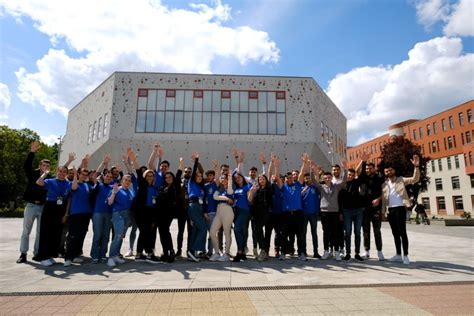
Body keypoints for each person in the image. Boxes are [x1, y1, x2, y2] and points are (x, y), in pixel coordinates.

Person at [382, 154, 420, 265]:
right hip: (391, 210)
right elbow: (384, 200)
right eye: (386, 171)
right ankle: (398, 255)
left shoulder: (401, 180)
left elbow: (415, 179)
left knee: (402, 232)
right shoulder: (384, 184)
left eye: (390, 170)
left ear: (393, 170)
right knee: (395, 233)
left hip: (400, 209)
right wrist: (384, 212)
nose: (388, 172)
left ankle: (406, 256)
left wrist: (416, 167)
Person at [17, 141, 51, 264]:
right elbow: (26, 166)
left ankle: (37, 254)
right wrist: (32, 152)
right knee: (26, 231)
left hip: (43, 207)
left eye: (48, 166)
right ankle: (23, 254)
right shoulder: (33, 174)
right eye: (44, 165)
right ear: (40, 166)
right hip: (31, 205)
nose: (46, 168)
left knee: (40, 232)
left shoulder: (50, 178)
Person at [35, 165, 71, 266]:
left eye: (64, 172)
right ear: (57, 172)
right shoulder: (50, 181)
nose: (62, 173)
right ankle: (43, 257)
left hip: (61, 209)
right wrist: (45, 173)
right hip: (50, 207)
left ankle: (50, 255)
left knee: (56, 234)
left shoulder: (68, 183)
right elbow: (38, 182)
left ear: (66, 173)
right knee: (46, 233)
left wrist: (66, 214)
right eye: (60, 171)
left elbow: (69, 199)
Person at [311, 161, 346, 261]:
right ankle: (326, 251)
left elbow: (344, 180)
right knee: (326, 232)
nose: (327, 179)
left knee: (335, 232)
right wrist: (312, 170)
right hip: (324, 213)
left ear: (331, 178)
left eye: (329, 177)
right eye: (325, 178)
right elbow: (313, 181)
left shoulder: (337, 186)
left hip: (334, 212)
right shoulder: (321, 187)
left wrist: (345, 169)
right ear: (323, 178)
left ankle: (336, 251)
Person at [274, 154, 307, 261]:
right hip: (286, 214)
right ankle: (283, 253)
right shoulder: (283, 187)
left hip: (298, 213)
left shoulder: (297, 185)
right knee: (284, 235)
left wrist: (304, 163)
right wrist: (276, 166)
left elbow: (302, 174)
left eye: (290, 177)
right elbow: (278, 178)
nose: (288, 179)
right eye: (287, 178)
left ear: (293, 178)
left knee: (300, 235)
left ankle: (301, 253)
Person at [64, 168, 96, 266]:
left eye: (86, 174)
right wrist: (75, 176)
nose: (84, 176)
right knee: (73, 235)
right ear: (78, 174)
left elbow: (95, 189)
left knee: (81, 235)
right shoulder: (73, 183)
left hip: (86, 214)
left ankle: (76, 255)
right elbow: (73, 187)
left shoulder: (87, 185)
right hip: (76, 214)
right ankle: (68, 257)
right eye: (83, 174)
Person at [155, 157, 184, 263]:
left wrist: (181, 162)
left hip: (169, 213)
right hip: (160, 213)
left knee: (165, 232)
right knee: (162, 232)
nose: (168, 179)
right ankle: (165, 252)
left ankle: (170, 251)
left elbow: (179, 173)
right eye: (166, 177)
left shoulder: (175, 185)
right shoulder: (163, 187)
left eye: (169, 177)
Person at [359, 157, 385, 261]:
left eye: (370, 168)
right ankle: (366, 251)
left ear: (374, 169)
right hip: (365, 209)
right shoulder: (363, 178)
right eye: (366, 168)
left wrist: (378, 199)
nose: (368, 170)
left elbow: (384, 192)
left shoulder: (379, 178)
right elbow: (357, 171)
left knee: (377, 230)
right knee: (366, 231)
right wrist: (363, 161)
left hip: (376, 208)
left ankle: (380, 251)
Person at [107, 174, 136, 267]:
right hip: (118, 214)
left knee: (121, 236)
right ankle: (111, 257)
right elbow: (109, 202)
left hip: (127, 215)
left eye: (129, 180)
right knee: (118, 235)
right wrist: (114, 193)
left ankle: (115, 255)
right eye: (125, 180)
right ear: (122, 180)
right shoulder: (117, 190)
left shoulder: (130, 191)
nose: (127, 182)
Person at [339, 168, 365, 261]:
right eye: (349, 175)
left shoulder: (356, 182)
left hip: (358, 211)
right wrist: (340, 213)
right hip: (346, 211)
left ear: (354, 176)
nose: (350, 176)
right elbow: (340, 201)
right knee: (348, 233)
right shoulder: (342, 185)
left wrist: (364, 162)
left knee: (357, 233)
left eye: (352, 175)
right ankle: (348, 253)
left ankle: (357, 253)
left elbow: (362, 176)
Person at [186, 152, 207, 262]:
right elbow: (195, 170)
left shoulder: (201, 188)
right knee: (203, 228)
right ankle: (195, 249)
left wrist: (204, 212)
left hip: (200, 208)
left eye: (200, 176)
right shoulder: (191, 183)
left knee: (196, 229)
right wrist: (196, 160)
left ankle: (191, 252)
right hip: (193, 206)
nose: (199, 177)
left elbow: (204, 201)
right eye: (197, 176)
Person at [209, 173, 234, 262]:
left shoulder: (229, 189)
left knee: (227, 233)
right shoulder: (219, 189)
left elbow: (217, 197)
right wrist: (226, 199)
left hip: (227, 211)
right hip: (219, 212)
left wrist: (230, 177)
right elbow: (215, 197)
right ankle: (216, 253)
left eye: (224, 178)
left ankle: (226, 254)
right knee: (212, 232)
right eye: (221, 178)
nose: (223, 180)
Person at [90, 170, 113, 263]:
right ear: (104, 177)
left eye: (111, 177)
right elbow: (92, 192)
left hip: (108, 213)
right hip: (98, 213)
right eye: (107, 176)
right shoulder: (99, 186)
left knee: (106, 235)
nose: (109, 178)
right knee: (97, 235)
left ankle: (103, 254)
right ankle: (94, 255)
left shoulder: (112, 188)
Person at [248, 174, 273, 261]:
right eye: (260, 179)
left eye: (263, 179)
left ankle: (263, 250)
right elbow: (250, 201)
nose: (261, 180)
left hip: (265, 213)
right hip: (256, 213)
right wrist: (252, 191)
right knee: (257, 231)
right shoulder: (257, 190)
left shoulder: (269, 188)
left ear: (266, 180)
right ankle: (263, 250)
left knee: (261, 230)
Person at [301, 172, 321, 259]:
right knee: (303, 233)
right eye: (306, 178)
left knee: (314, 233)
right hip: (304, 214)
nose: (307, 179)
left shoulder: (315, 188)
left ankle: (316, 252)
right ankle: (304, 251)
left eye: (308, 178)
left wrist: (316, 173)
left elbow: (318, 184)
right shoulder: (301, 188)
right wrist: (301, 193)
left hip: (313, 214)